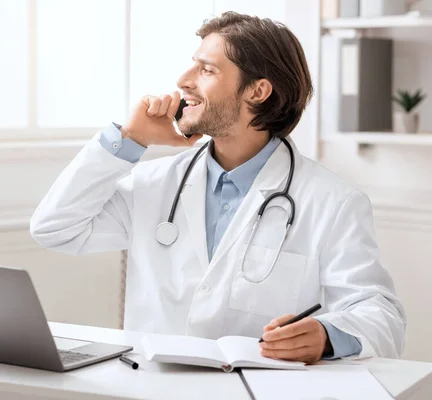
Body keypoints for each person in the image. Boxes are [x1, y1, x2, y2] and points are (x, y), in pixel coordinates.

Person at [30, 11, 405, 364]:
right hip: (152, 389)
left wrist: (327, 336)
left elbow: (380, 313)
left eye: (206, 69)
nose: (183, 80)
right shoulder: (154, 183)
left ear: (257, 91)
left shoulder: (332, 200)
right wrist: (129, 139)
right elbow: (54, 228)